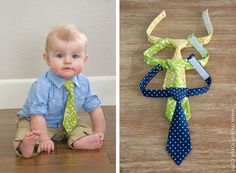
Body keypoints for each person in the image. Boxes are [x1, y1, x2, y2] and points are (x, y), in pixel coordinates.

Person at [13, 24, 106, 158]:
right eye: (60, 55)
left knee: (83, 127)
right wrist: (44, 139)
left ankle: (80, 141)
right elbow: (37, 116)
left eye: (75, 56)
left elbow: (95, 109)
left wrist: (99, 133)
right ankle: (26, 146)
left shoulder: (84, 83)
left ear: (84, 59)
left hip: (68, 122)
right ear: (47, 59)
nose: (67, 61)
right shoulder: (41, 86)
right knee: (28, 132)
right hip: (39, 121)